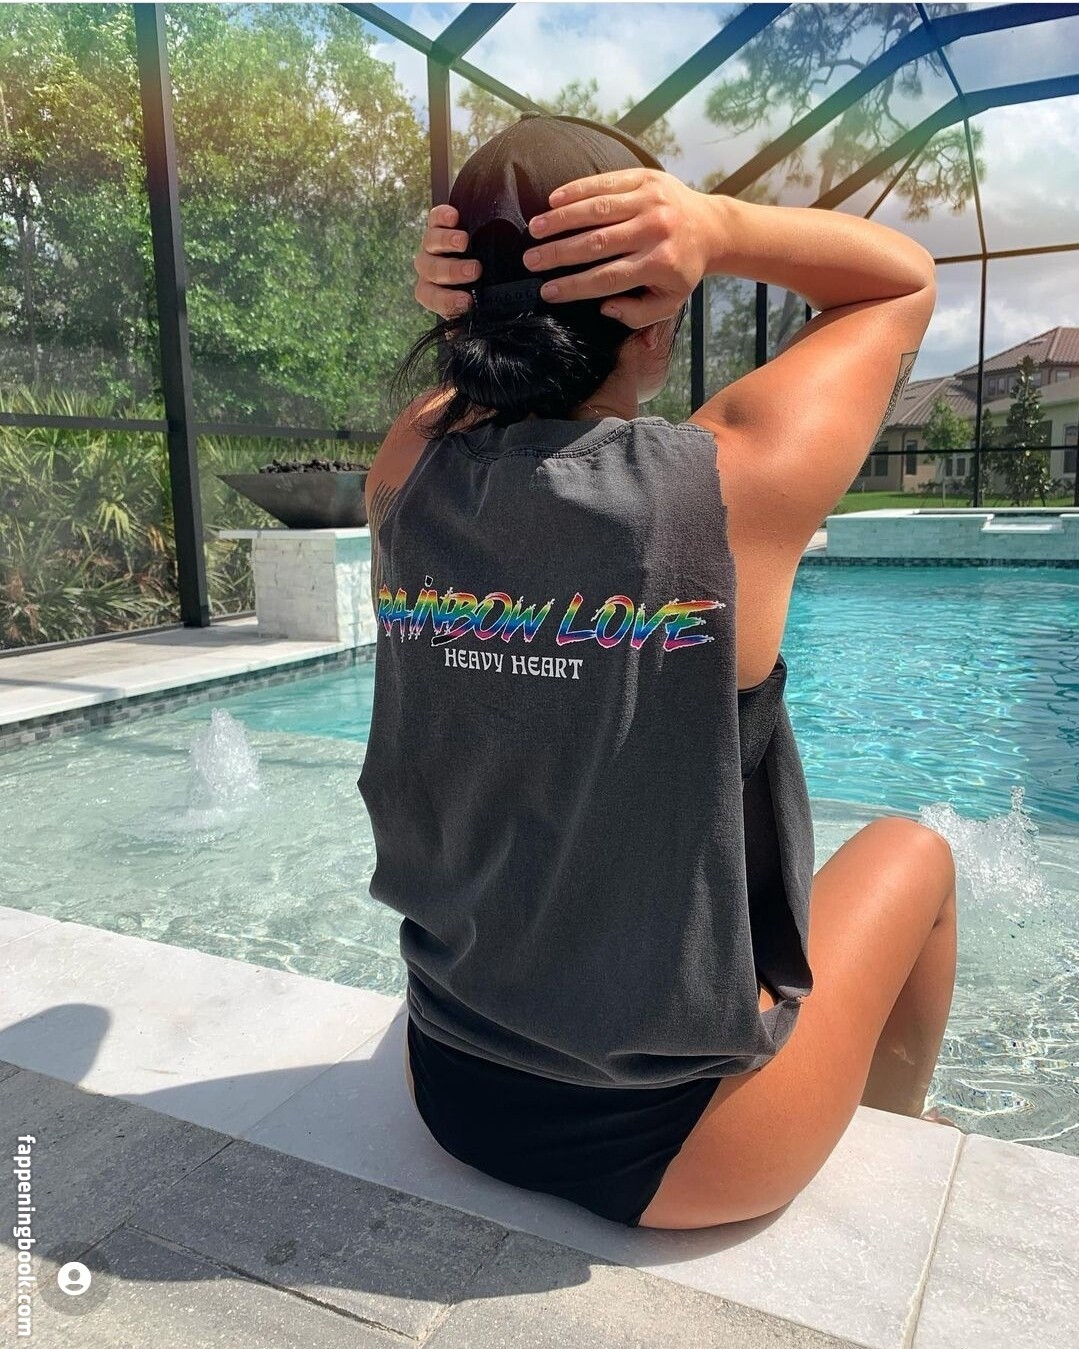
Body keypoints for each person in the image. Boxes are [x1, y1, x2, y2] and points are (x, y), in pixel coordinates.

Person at [357, 113, 959, 1232]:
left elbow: (464, 392)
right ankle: (898, 1120)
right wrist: (719, 224)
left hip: (446, 1083)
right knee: (914, 855)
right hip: (678, 1150)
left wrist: (472, 312)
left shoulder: (406, 472)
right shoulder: (726, 489)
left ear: (461, 314)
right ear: (655, 320)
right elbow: (898, 283)